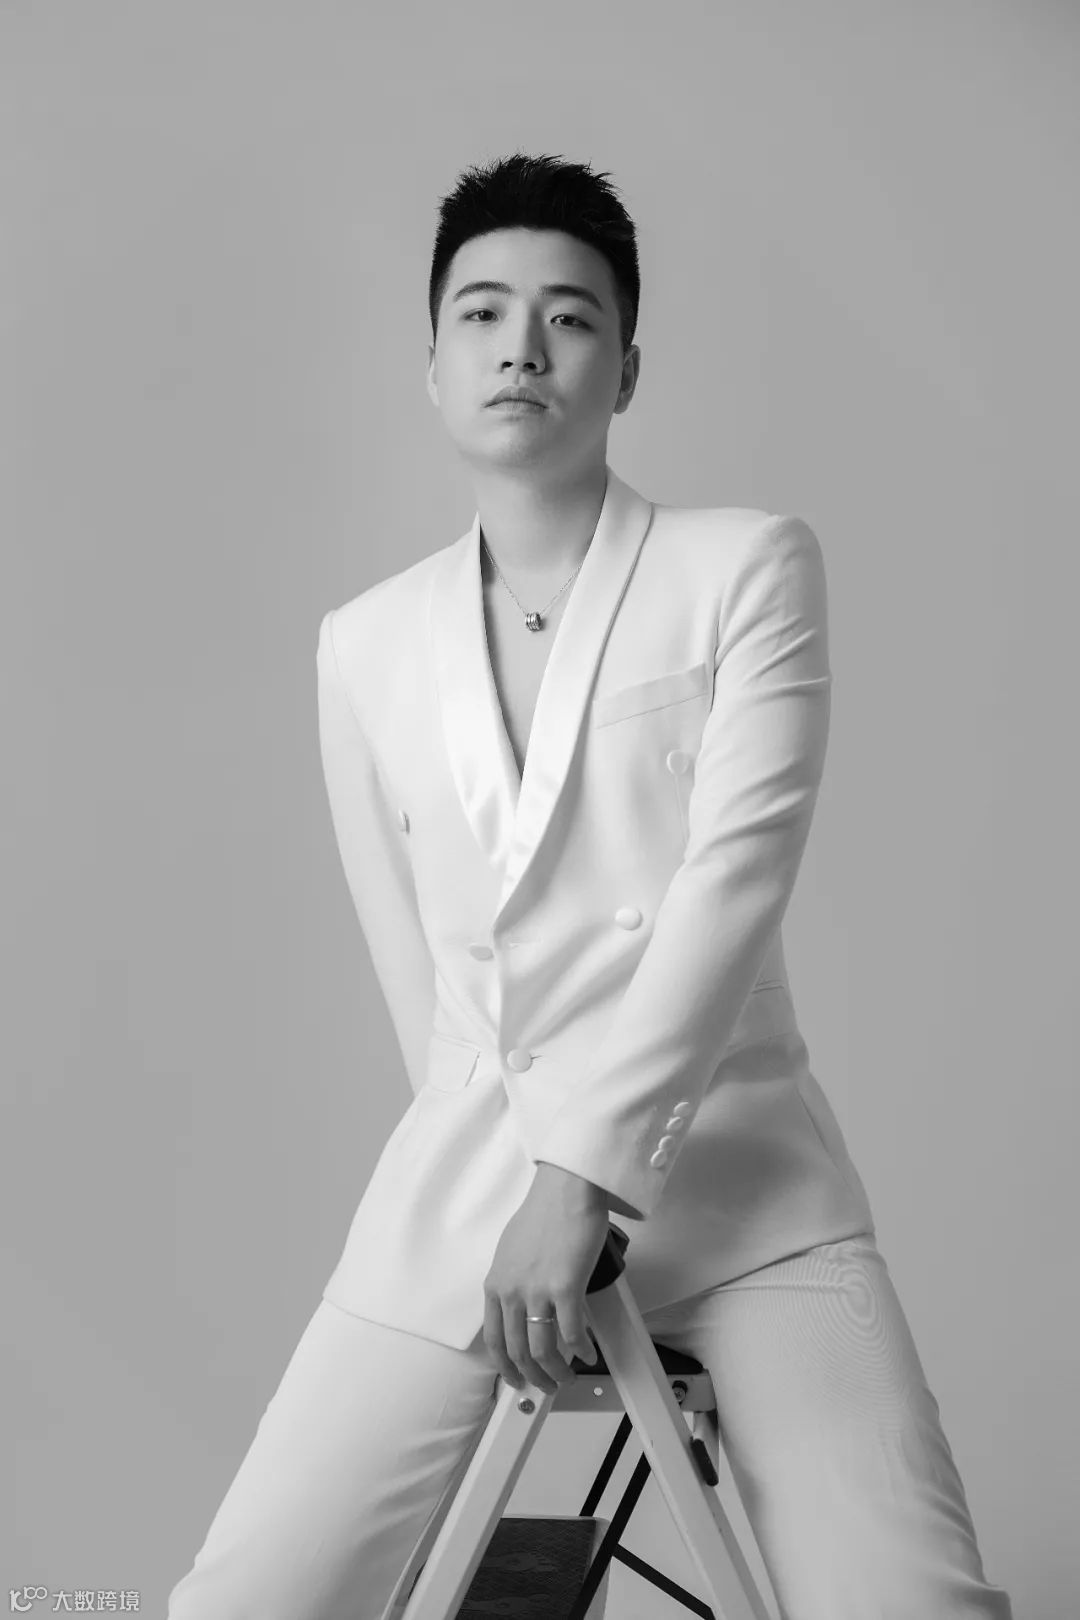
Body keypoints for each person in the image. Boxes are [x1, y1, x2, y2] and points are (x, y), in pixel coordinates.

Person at [166, 151, 1014, 1619]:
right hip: (473, 1195)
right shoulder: (361, 644)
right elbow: (421, 979)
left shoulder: (744, 567)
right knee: (244, 1604)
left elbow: (734, 882)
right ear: (433, 365)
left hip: (747, 1187)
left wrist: (583, 1181)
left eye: (568, 317)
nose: (522, 347)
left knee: (910, 1603)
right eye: (482, 314)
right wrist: (511, 1183)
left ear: (626, 368)